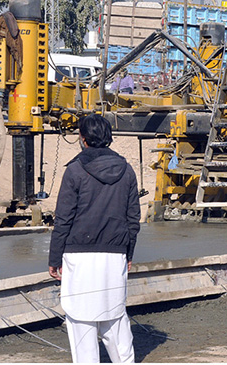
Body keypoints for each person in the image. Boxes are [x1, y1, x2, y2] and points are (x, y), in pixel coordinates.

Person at [48, 114, 141, 363]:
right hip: (114, 255)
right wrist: (128, 254)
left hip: (78, 256)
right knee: (115, 318)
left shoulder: (75, 171)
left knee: (81, 322)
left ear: (83, 138)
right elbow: (133, 219)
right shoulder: (127, 170)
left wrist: (54, 258)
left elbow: (63, 219)